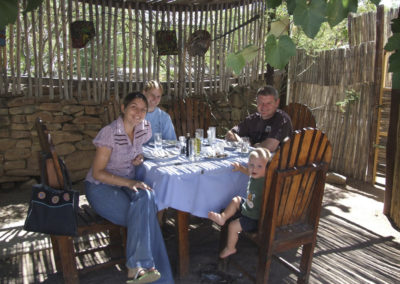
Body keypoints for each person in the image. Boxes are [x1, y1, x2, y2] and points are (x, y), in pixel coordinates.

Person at [85, 92, 174, 284]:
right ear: (123, 108)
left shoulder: (144, 129)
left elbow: (137, 151)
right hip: (102, 187)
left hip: (126, 184)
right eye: (134, 107)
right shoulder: (109, 133)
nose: (139, 113)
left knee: (148, 197)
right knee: (146, 216)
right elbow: (98, 172)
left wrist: (139, 158)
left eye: (143, 109)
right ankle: (147, 270)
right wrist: (131, 183)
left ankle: (137, 267)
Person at [208, 148, 271, 259]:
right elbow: (249, 172)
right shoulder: (255, 174)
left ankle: (230, 247)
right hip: (249, 207)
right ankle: (222, 217)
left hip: (255, 218)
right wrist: (240, 168)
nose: (254, 169)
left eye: (259, 166)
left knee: (233, 226)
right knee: (236, 200)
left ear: (267, 169)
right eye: (251, 165)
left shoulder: (265, 181)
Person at [225, 85, 292, 152]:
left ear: (277, 103)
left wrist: (253, 146)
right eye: (260, 103)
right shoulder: (253, 119)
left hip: (274, 161)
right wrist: (242, 143)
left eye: (268, 103)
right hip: (252, 158)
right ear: (256, 102)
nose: (264, 107)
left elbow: (270, 147)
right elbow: (230, 134)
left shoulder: (281, 119)